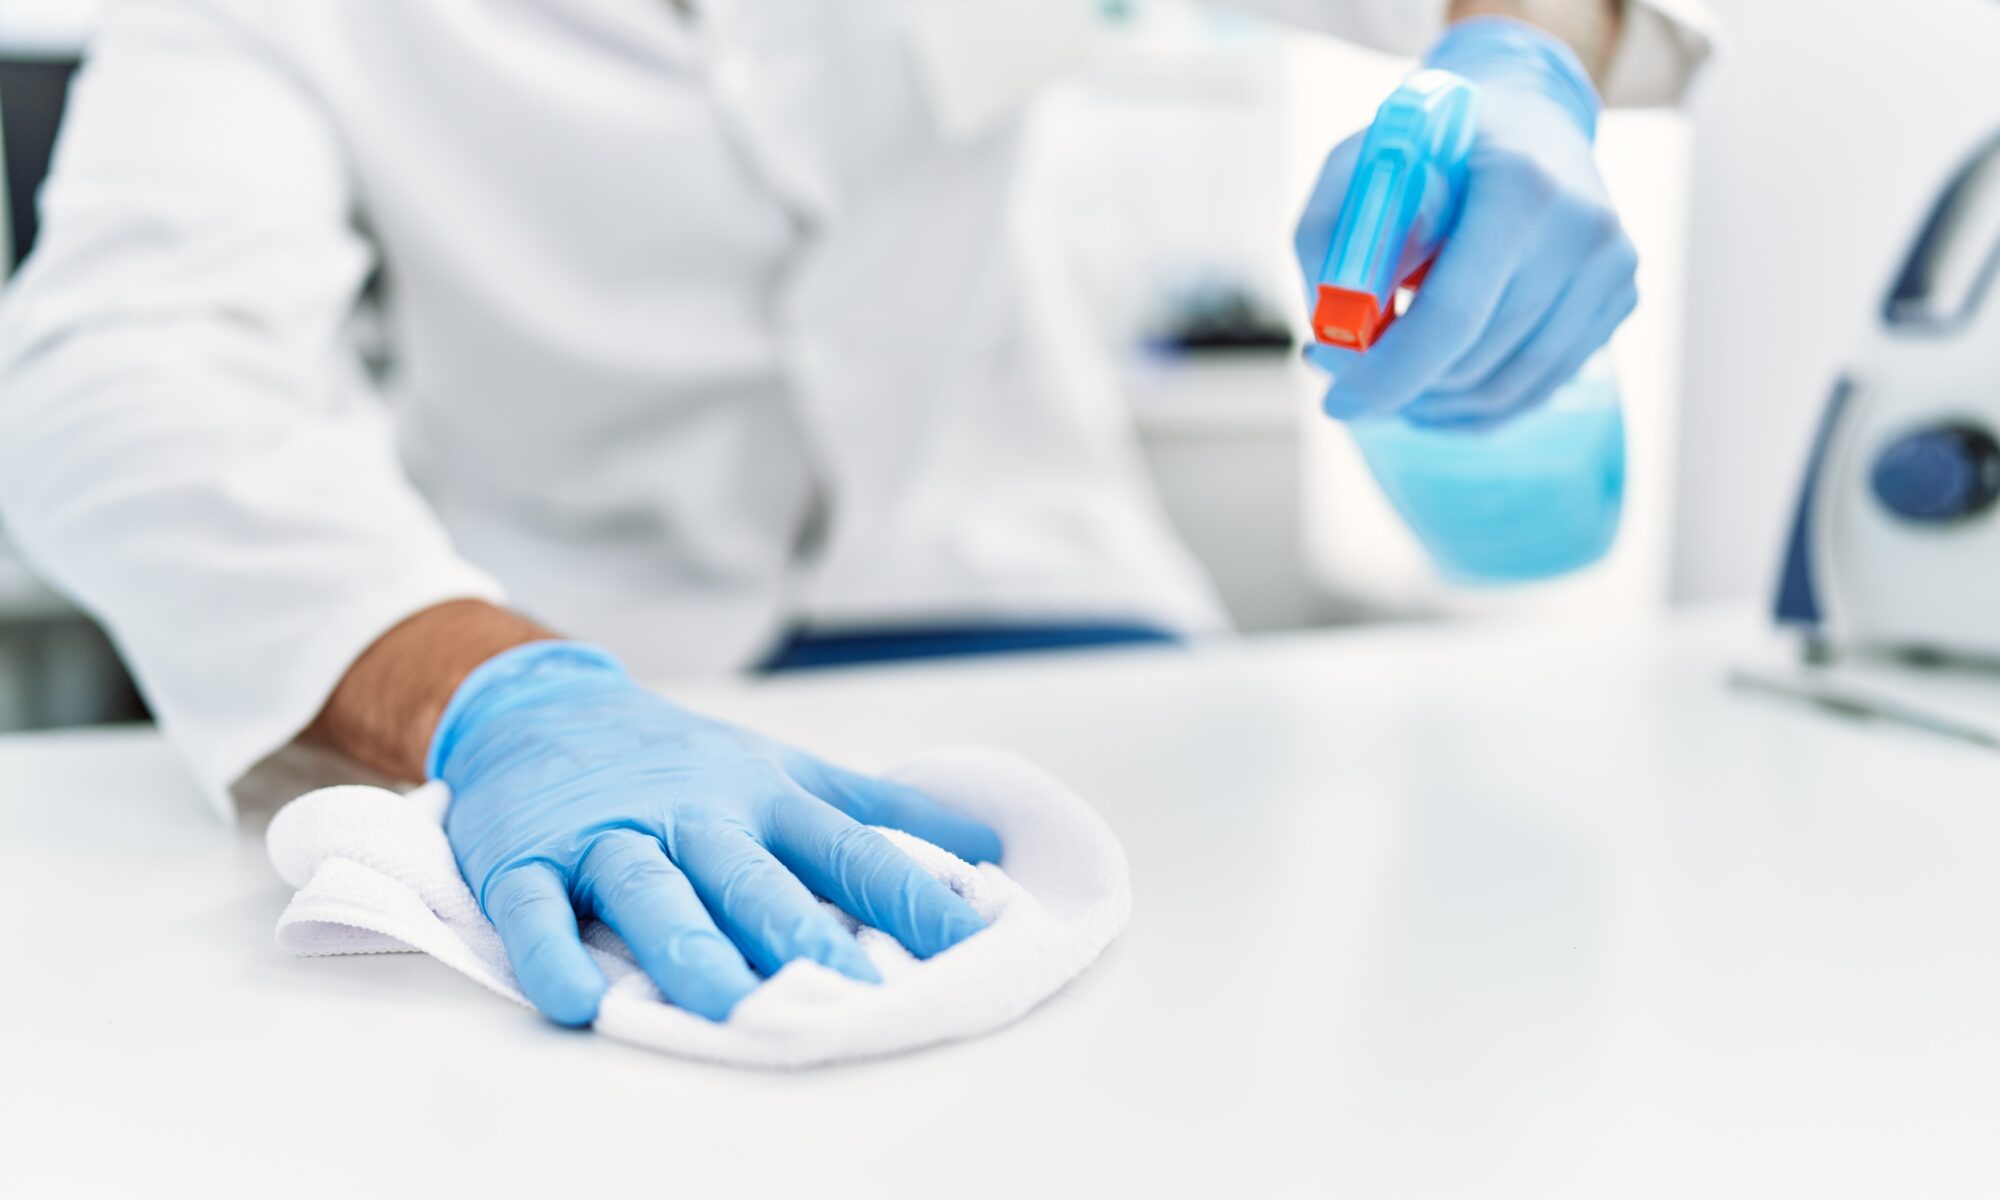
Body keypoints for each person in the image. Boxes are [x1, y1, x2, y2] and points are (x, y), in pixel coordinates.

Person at [0, 0, 1710, 1025]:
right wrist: (485, 690)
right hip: (588, 678)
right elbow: (127, 365)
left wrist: (1521, 63)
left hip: (1038, 581)